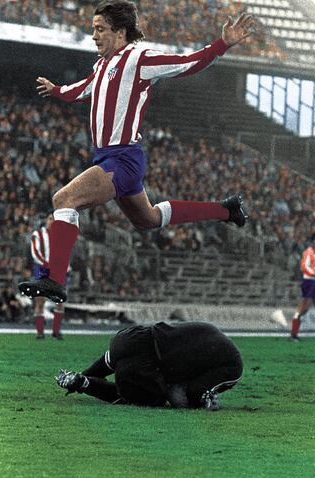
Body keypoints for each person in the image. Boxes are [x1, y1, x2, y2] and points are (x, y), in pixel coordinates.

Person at [19, 1, 254, 304]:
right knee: (148, 219)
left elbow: (187, 62)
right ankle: (226, 210)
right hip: (110, 159)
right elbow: (83, 90)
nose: (94, 36)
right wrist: (56, 90)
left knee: (63, 200)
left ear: (120, 32)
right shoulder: (102, 65)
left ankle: (55, 279)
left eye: (99, 29)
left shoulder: (138, 58)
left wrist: (222, 44)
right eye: (94, 29)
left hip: (123, 159)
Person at [55, 321, 243, 409]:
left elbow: (108, 362)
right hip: (149, 363)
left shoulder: (211, 332)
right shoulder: (233, 366)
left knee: (112, 361)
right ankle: (83, 382)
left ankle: (82, 378)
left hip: (135, 337)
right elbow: (194, 393)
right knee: (168, 398)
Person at [30, 214, 65, 339]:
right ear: (46, 220)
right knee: (40, 301)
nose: (53, 222)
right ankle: (40, 333)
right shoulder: (37, 234)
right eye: (51, 219)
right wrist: (46, 264)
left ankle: (56, 331)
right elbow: (35, 252)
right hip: (42, 270)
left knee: (60, 301)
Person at [290, 233, 315, 340]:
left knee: (305, 307)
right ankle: (294, 334)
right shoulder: (308, 252)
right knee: (304, 308)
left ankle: (294, 334)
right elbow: (304, 267)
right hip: (310, 282)